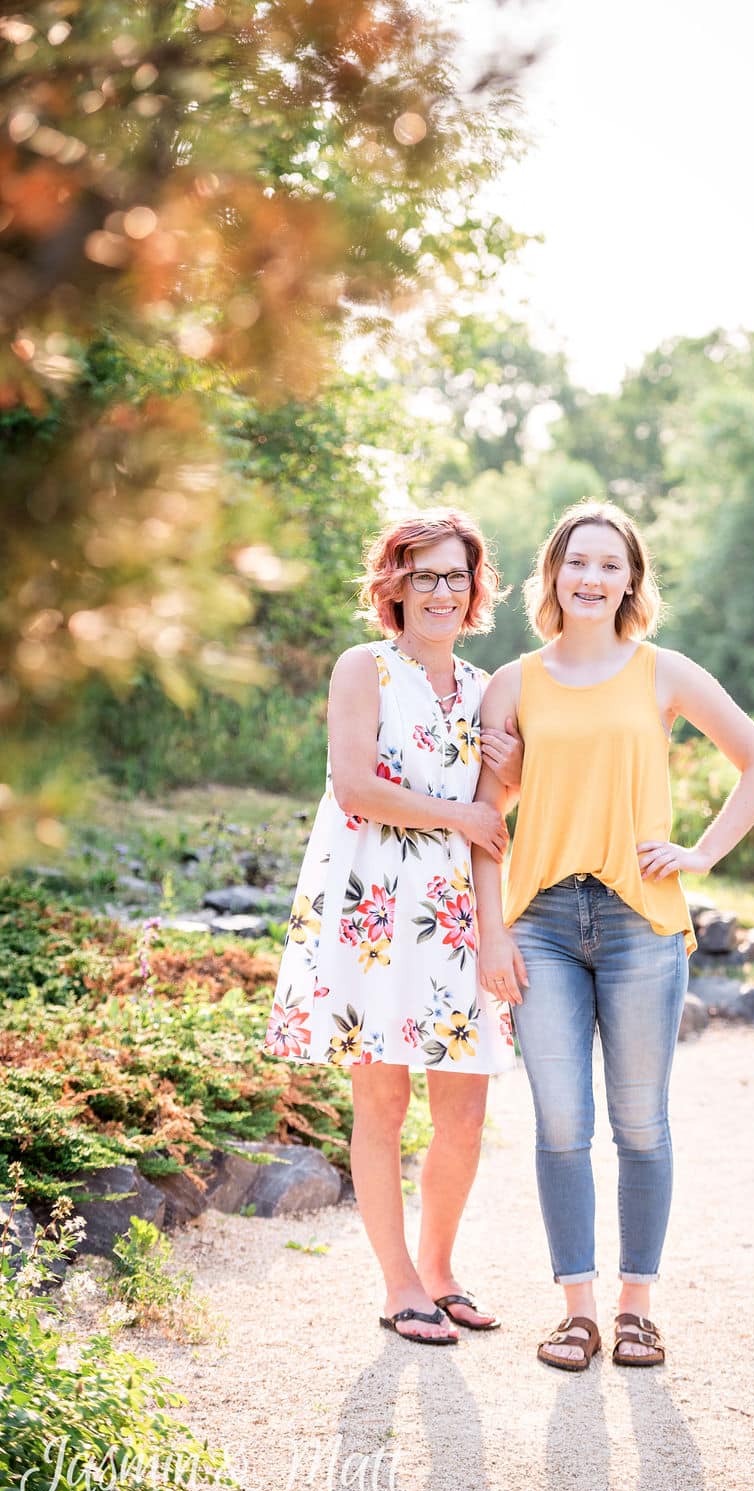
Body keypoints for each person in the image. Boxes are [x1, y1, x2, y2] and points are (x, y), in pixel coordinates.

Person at [473, 501, 754, 1371]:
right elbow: (487, 822)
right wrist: (491, 934)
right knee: (561, 1122)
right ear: (553, 574)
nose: (592, 578)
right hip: (538, 926)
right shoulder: (512, 683)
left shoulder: (664, 673)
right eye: (578, 562)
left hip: (642, 919)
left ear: (631, 580)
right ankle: (575, 1312)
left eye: (611, 564)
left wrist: (701, 854)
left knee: (640, 1123)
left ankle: (637, 1308)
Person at [261, 509, 521, 1344]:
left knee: (465, 1111)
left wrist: (493, 931)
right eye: (423, 575)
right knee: (381, 1101)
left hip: (451, 919)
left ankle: (441, 1270)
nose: (441, 592)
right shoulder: (363, 668)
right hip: (371, 911)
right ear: (395, 586)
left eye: (456, 576)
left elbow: (492, 826)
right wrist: (467, 811)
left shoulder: (488, 690)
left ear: (475, 589)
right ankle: (398, 1282)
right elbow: (354, 787)